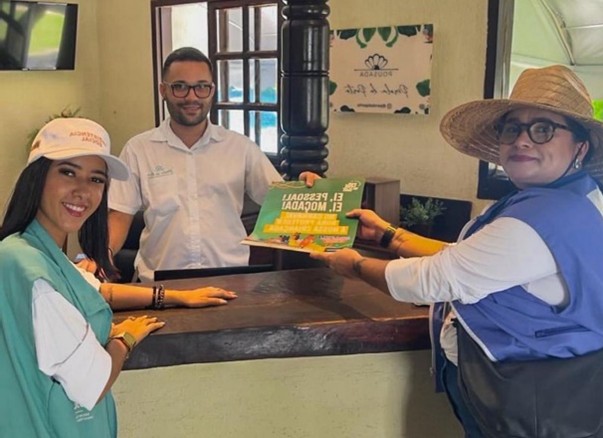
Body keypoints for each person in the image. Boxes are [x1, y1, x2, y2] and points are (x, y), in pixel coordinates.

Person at [311, 65, 603, 438]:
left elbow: (433, 280)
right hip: (554, 389)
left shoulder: (545, 217)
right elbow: (472, 258)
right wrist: (389, 236)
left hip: (526, 398)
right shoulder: (574, 198)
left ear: (580, 146)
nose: (522, 140)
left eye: (543, 129)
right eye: (512, 128)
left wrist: (353, 264)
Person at [0, 118, 235, 437]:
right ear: (37, 177)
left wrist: (176, 296)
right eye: (68, 172)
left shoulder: (34, 251)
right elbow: (92, 382)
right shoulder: (28, 268)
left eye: (96, 179)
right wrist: (124, 340)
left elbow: (99, 291)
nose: (83, 191)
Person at [107, 47, 319, 282]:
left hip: (230, 281)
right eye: (180, 87)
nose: (192, 97)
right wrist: (103, 256)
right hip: (161, 285)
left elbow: (279, 204)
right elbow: (120, 215)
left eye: (201, 87)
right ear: (163, 90)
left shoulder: (239, 148)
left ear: (212, 90)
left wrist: (309, 193)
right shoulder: (138, 149)